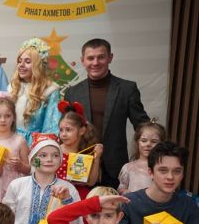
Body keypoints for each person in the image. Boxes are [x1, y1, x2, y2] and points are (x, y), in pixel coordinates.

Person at [64, 38, 149, 188]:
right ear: (83, 61)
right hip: (81, 166)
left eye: (101, 57)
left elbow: (142, 126)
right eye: (90, 58)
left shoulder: (127, 89)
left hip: (115, 166)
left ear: (110, 58)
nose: (95, 62)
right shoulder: (72, 93)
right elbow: (66, 130)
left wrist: (150, 151)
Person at [4, 37, 61, 147]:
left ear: (38, 65)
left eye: (28, 61)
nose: (21, 65)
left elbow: (51, 128)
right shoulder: (12, 88)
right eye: (19, 61)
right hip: (10, 144)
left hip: (35, 146)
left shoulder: (50, 90)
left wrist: (41, 150)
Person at [55, 101, 103, 199]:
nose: (63, 134)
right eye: (61, 130)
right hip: (56, 194)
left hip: (78, 196)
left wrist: (96, 158)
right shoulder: (55, 150)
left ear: (82, 130)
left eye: (68, 130)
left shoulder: (85, 153)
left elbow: (91, 182)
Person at [117, 121, 166, 194]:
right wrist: (127, 193)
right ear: (137, 142)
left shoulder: (164, 168)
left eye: (154, 141)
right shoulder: (128, 168)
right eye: (144, 140)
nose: (148, 144)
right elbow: (121, 189)